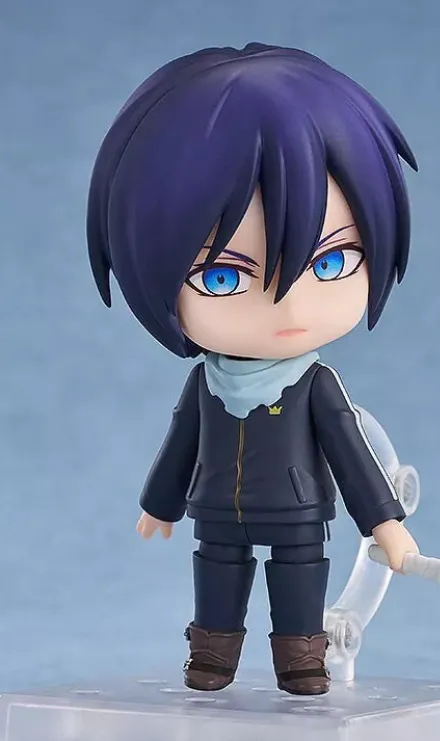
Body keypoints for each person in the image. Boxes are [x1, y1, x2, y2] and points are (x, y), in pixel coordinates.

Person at [86, 42, 420, 696]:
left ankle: (301, 658)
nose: (288, 306)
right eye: (222, 276)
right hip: (216, 507)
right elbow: (182, 441)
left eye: (331, 262)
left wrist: (385, 523)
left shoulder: (316, 386)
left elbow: (352, 454)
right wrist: (160, 503)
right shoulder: (206, 382)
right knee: (217, 574)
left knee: (299, 577)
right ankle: (212, 655)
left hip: (297, 511)